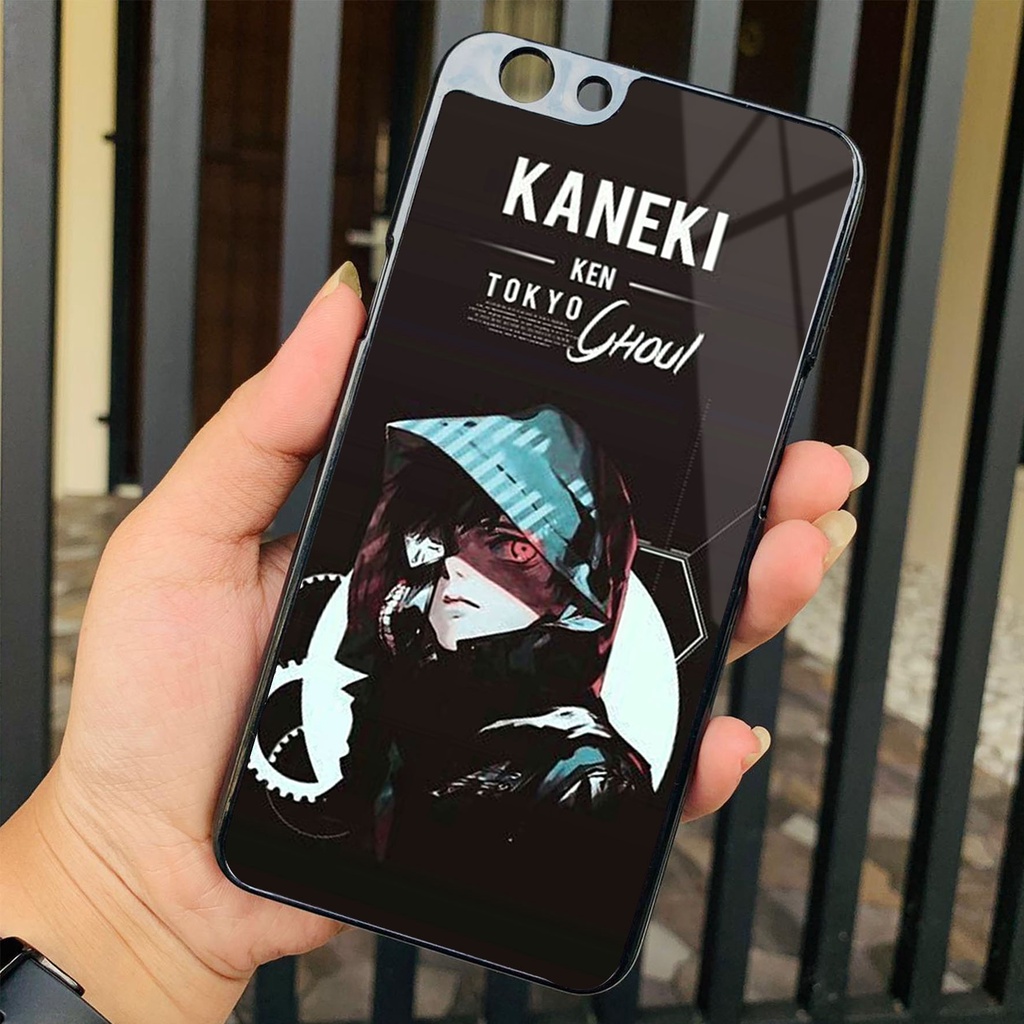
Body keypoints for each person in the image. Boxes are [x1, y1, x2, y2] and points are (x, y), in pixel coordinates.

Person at [0, 263, 867, 1024]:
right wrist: (122, 896)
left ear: (566, 595)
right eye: (449, 526)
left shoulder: (578, 776)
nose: (452, 562)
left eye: (506, 544)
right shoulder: (406, 695)